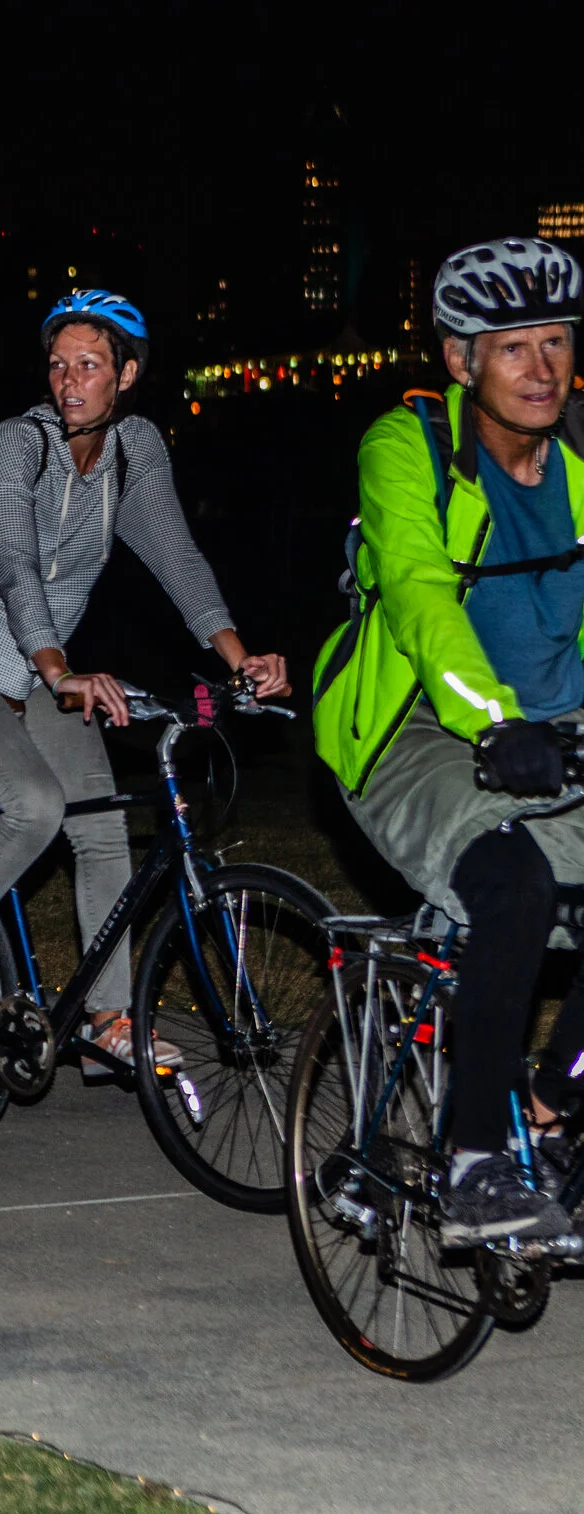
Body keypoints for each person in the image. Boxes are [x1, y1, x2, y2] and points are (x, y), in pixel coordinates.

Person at [0, 292, 288, 1073]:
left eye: (90, 364)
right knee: (35, 805)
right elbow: (16, 569)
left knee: (102, 823)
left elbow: (178, 560)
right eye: (58, 364)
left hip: (37, 670)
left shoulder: (134, 452)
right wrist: (62, 670)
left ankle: (107, 1017)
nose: (69, 381)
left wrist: (239, 658)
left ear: (126, 375)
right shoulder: (19, 443)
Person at [313, 237, 584, 1245]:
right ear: (460, 359)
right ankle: (474, 1162)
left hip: (557, 718)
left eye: (556, 342)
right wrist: (496, 720)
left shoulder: (582, 454)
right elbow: (423, 597)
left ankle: (548, 1116)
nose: (542, 368)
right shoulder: (407, 447)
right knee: (512, 884)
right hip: (419, 723)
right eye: (513, 348)